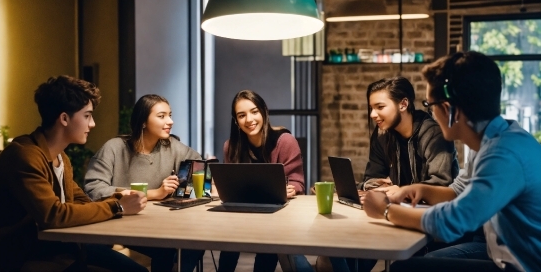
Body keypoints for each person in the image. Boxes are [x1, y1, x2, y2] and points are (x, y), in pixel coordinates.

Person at [362, 51, 541, 271]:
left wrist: (386, 211)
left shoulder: (502, 155)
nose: (430, 114)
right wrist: (419, 189)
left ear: (448, 110)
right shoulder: (492, 141)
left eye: (430, 105)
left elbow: (451, 222)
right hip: (500, 251)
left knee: (406, 268)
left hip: (522, 264)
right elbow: (459, 190)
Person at [0, 75, 148, 271]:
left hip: (56, 245)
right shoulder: (25, 156)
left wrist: (119, 198)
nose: (92, 124)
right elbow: (53, 215)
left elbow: (80, 203)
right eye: (87, 116)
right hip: (17, 253)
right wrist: (118, 206)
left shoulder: (60, 157)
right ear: (64, 118)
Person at [329, 77, 460, 272]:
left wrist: (403, 191)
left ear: (403, 104)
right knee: (342, 252)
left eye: (380, 107)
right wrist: (378, 187)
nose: (373, 114)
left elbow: (441, 184)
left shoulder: (433, 133)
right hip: (401, 216)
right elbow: (371, 177)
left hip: (434, 227)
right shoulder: (384, 135)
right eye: (371, 108)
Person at [84, 94, 204, 272]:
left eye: (170, 115)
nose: (170, 121)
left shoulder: (171, 146)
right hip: (117, 225)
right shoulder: (115, 148)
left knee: (193, 245)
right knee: (166, 250)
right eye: (161, 116)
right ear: (143, 122)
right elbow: (94, 188)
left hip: (155, 227)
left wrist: (180, 186)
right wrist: (154, 193)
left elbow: (200, 167)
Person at [217, 90, 309, 272]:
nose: (249, 119)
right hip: (242, 213)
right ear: (236, 121)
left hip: (275, 214)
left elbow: (298, 182)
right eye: (241, 115)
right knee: (229, 238)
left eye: (254, 111)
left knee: (270, 238)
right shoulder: (231, 146)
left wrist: (291, 188)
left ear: (264, 112)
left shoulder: (285, 141)